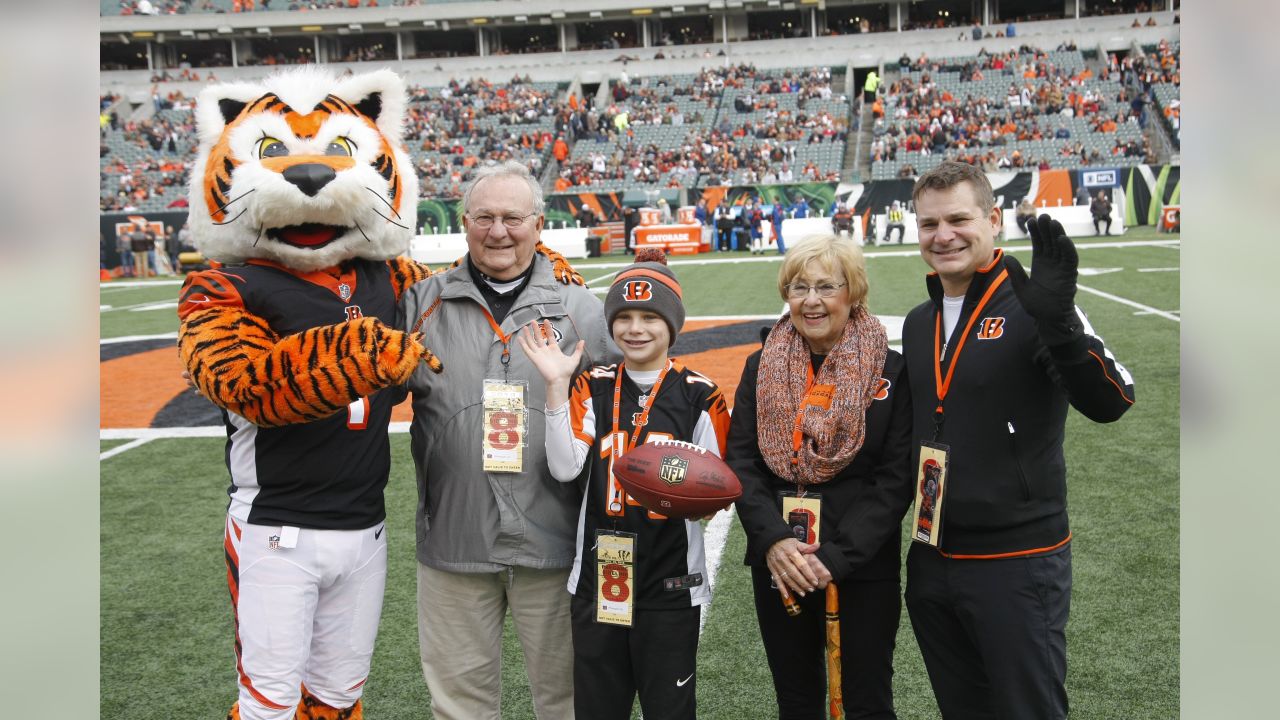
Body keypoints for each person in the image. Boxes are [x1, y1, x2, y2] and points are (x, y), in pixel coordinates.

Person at [902, 161, 1135, 719]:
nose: (944, 235)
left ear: (995, 220)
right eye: (929, 223)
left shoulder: (1035, 308)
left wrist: (1060, 326)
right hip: (932, 554)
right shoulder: (917, 321)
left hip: (1016, 558)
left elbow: (1111, 401)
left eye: (959, 219)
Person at [399, 161, 616, 720]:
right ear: (465, 222)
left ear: (538, 224)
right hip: (455, 538)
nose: (499, 231)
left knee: (567, 698)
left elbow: (630, 411)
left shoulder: (581, 310)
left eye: (513, 218)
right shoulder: (421, 304)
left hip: (556, 541)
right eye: (485, 217)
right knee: (458, 705)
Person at [518, 248, 731, 720]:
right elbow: (564, 468)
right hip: (599, 582)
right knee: (598, 710)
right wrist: (556, 386)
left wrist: (696, 499)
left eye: (650, 317)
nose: (635, 329)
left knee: (670, 711)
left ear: (672, 324)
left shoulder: (700, 394)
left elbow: (718, 488)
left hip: (670, 583)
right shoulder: (591, 383)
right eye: (625, 316)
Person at [727, 233, 913, 720]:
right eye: (798, 287)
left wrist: (836, 557)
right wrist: (773, 542)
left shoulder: (891, 370)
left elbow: (895, 480)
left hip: (860, 564)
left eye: (827, 287)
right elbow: (742, 461)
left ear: (853, 293)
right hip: (780, 561)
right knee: (796, 700)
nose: (811, 301)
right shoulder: (759, 364)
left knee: (867, 700)